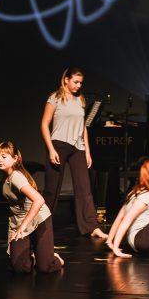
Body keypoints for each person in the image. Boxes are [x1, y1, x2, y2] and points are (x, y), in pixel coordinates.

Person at [40, 66, 106, 240]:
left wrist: (88, 152)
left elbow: (83, 127)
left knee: (85, 188)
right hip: (59, 145)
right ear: (66, 80)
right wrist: (51, 149)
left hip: (78, 148)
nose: (78, 86)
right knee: (52, 190)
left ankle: (92, 226)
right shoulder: (55, 98)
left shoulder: (80, 99)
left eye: (81, 83)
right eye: (76, 82)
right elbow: (44, 124)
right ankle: (41, 226)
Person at [0, 141, 64, 274]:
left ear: (15, 158)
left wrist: (23, 226)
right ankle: (34, 254)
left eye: (4, 157)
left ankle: (54, 257)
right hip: (20, 222)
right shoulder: (5, 175)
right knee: (21, 268)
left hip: (38, 219)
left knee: (45, 268)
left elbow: (39, 200)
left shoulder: (16, 176)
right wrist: (18, 226)